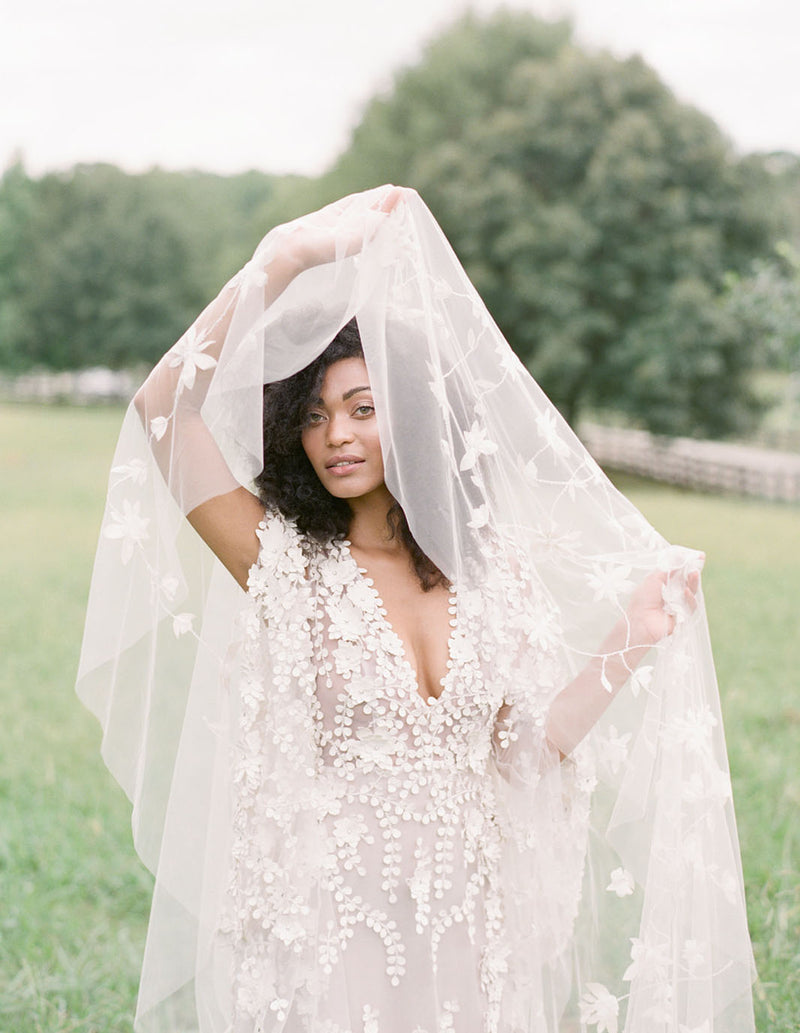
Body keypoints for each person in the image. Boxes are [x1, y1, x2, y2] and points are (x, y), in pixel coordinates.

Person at [78, 185, 755, 1033]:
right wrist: (282, 258)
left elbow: (524, 744)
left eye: (365, 409)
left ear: (418, 420)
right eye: (316, 416)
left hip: (471, 924)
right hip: (330, 921)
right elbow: (162, 412)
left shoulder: (487, 573)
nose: (337, 436)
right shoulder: (286, 563)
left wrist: (631, 639)